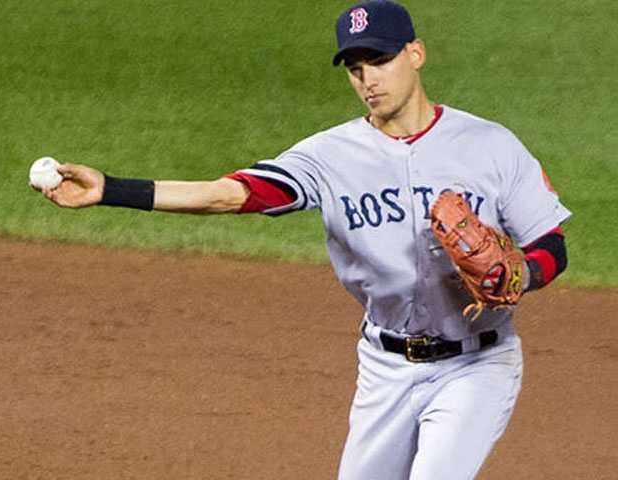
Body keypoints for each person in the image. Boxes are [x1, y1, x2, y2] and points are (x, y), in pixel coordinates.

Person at [38, 1, 571, 479]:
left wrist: (525, 273)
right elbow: (233, 194)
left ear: (416, 54)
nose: (368, 80)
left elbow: (551, 242)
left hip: (475, 368)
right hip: (385, 370)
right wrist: (111, 189)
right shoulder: (328, 155)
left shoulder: (489, 144)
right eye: (356, 69)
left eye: (380, 61)